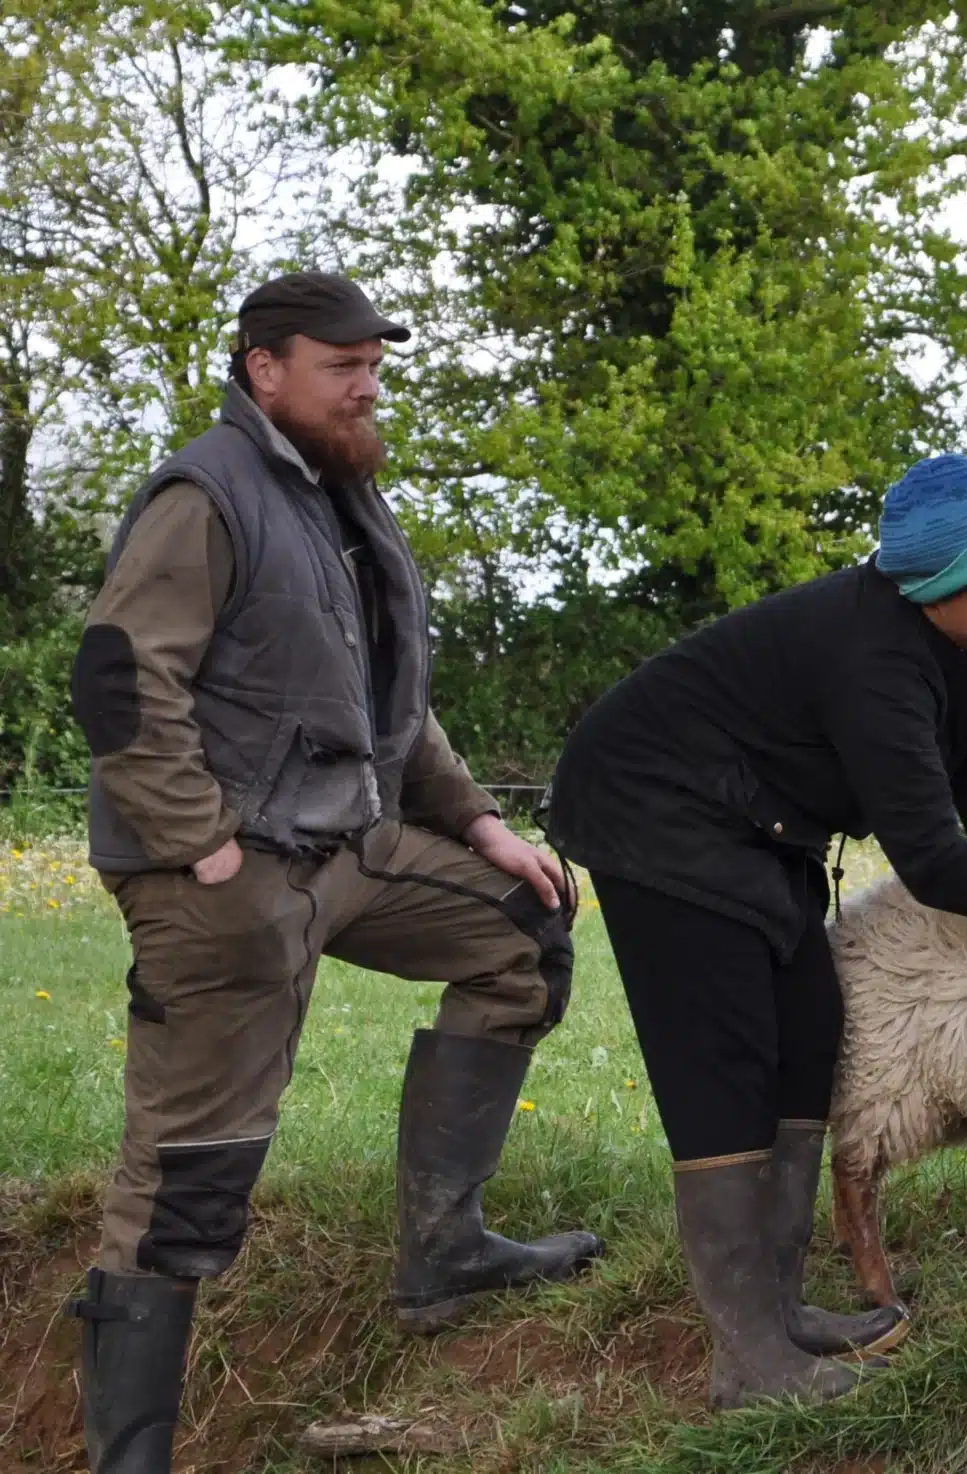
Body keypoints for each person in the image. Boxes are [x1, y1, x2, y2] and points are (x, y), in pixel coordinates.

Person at [65, 273, 603, 1474]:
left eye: (374, 364)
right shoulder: (207, 493)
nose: (367, 384)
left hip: (349, 849)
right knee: (186, 1181)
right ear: (266, 368)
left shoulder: (337, 496)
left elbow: (381, 702)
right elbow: (116, 678)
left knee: (522, 932)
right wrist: (199, 841)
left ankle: (445, 1253)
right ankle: (128, 1460)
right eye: (342, 364)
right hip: (227, 881)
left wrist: (475, 825)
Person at [545, 454, 967, 1408]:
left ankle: (778, 1312)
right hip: (653, 812)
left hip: (753, 821)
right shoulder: (875, 661)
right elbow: (933, 860)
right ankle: (749, 1362)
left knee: (810, 1028)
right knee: (726, 1061)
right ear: (932, 589)